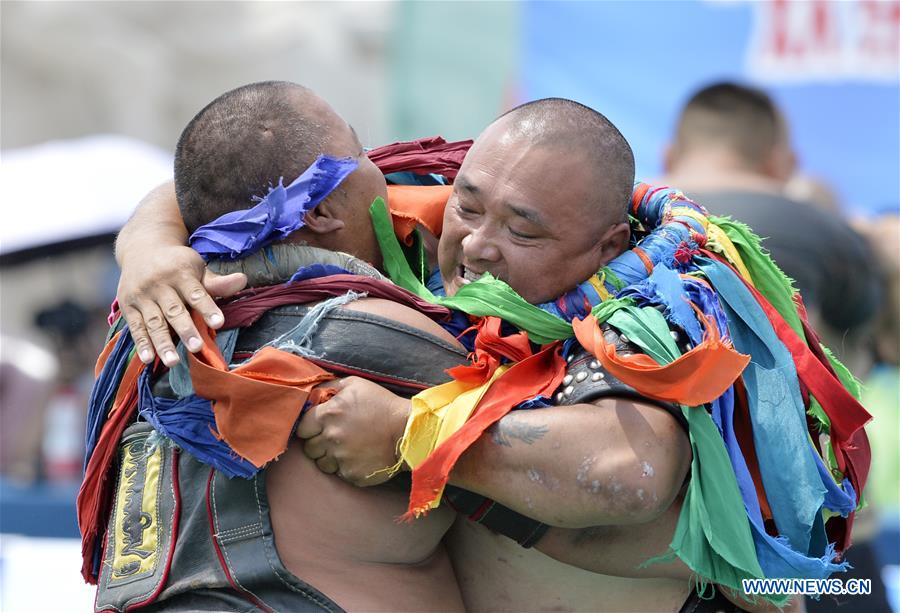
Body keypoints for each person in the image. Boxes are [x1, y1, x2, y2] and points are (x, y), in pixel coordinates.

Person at [106, 84, 855, 612]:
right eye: (465, 204)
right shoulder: (384, 293)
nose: (478, 245)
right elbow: (242, 171)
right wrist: (147, 241)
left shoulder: (636, 329)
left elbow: (636, 476)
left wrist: (411, 436)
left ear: (608, 247)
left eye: (524, 230)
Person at [661, 81, 882, 376]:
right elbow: (864, 336)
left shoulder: (619, 213)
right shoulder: (819, 225)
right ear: (781, 163)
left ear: (668, 157)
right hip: (769, 412)